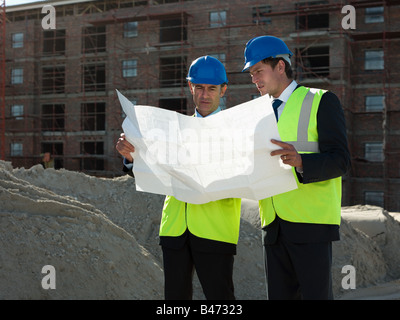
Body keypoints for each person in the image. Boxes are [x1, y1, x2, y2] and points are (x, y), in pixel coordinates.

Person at [116, 56, 241, 300]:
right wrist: (131, 158)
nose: (205, 95)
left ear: (223, 90)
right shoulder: (175, 129)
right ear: (190, 87)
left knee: (220, 299)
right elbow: (154, 172)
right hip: (174, 229)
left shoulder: (236, 132)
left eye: (212, 88)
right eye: (199, 88)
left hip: (215, 231)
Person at [242, 35, 351, 299]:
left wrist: (302, 161)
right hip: (273, 227)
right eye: (251, 74)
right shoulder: (256, 113)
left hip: (311, 224)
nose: (254, 79)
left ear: (280, 66)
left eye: (258, 71)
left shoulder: (321, 101)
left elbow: (341, 161)